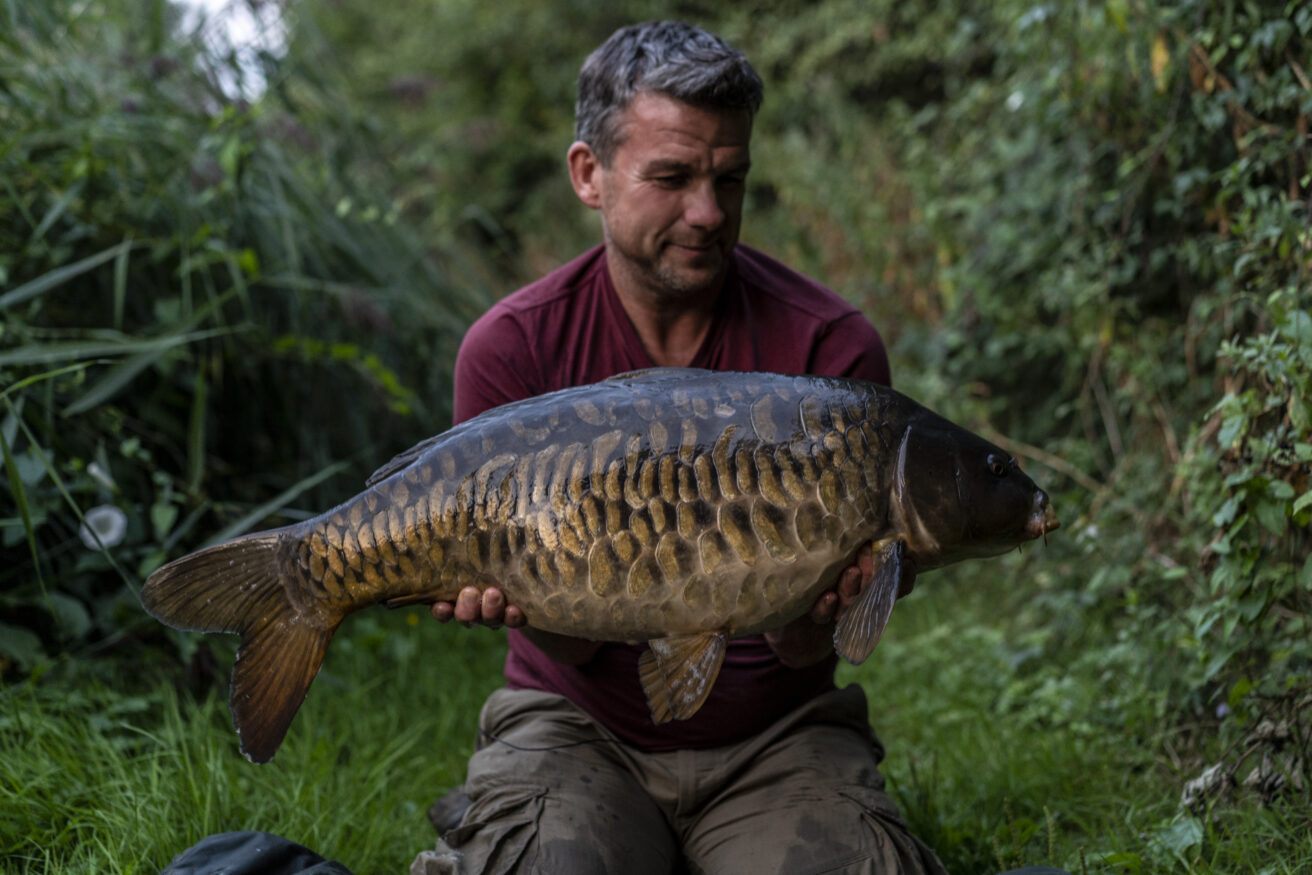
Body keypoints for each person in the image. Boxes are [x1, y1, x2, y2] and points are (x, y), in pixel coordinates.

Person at [416, 19, 944, 875]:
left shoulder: (832, 351)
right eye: (671, 178)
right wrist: (519, 600)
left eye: (729, 179)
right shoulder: (511, 348)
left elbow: (806, 652)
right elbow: (575, 649)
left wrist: (827, 610)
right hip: (575, 724)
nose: (707, 213)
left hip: (778, 735)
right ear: (589, 174)